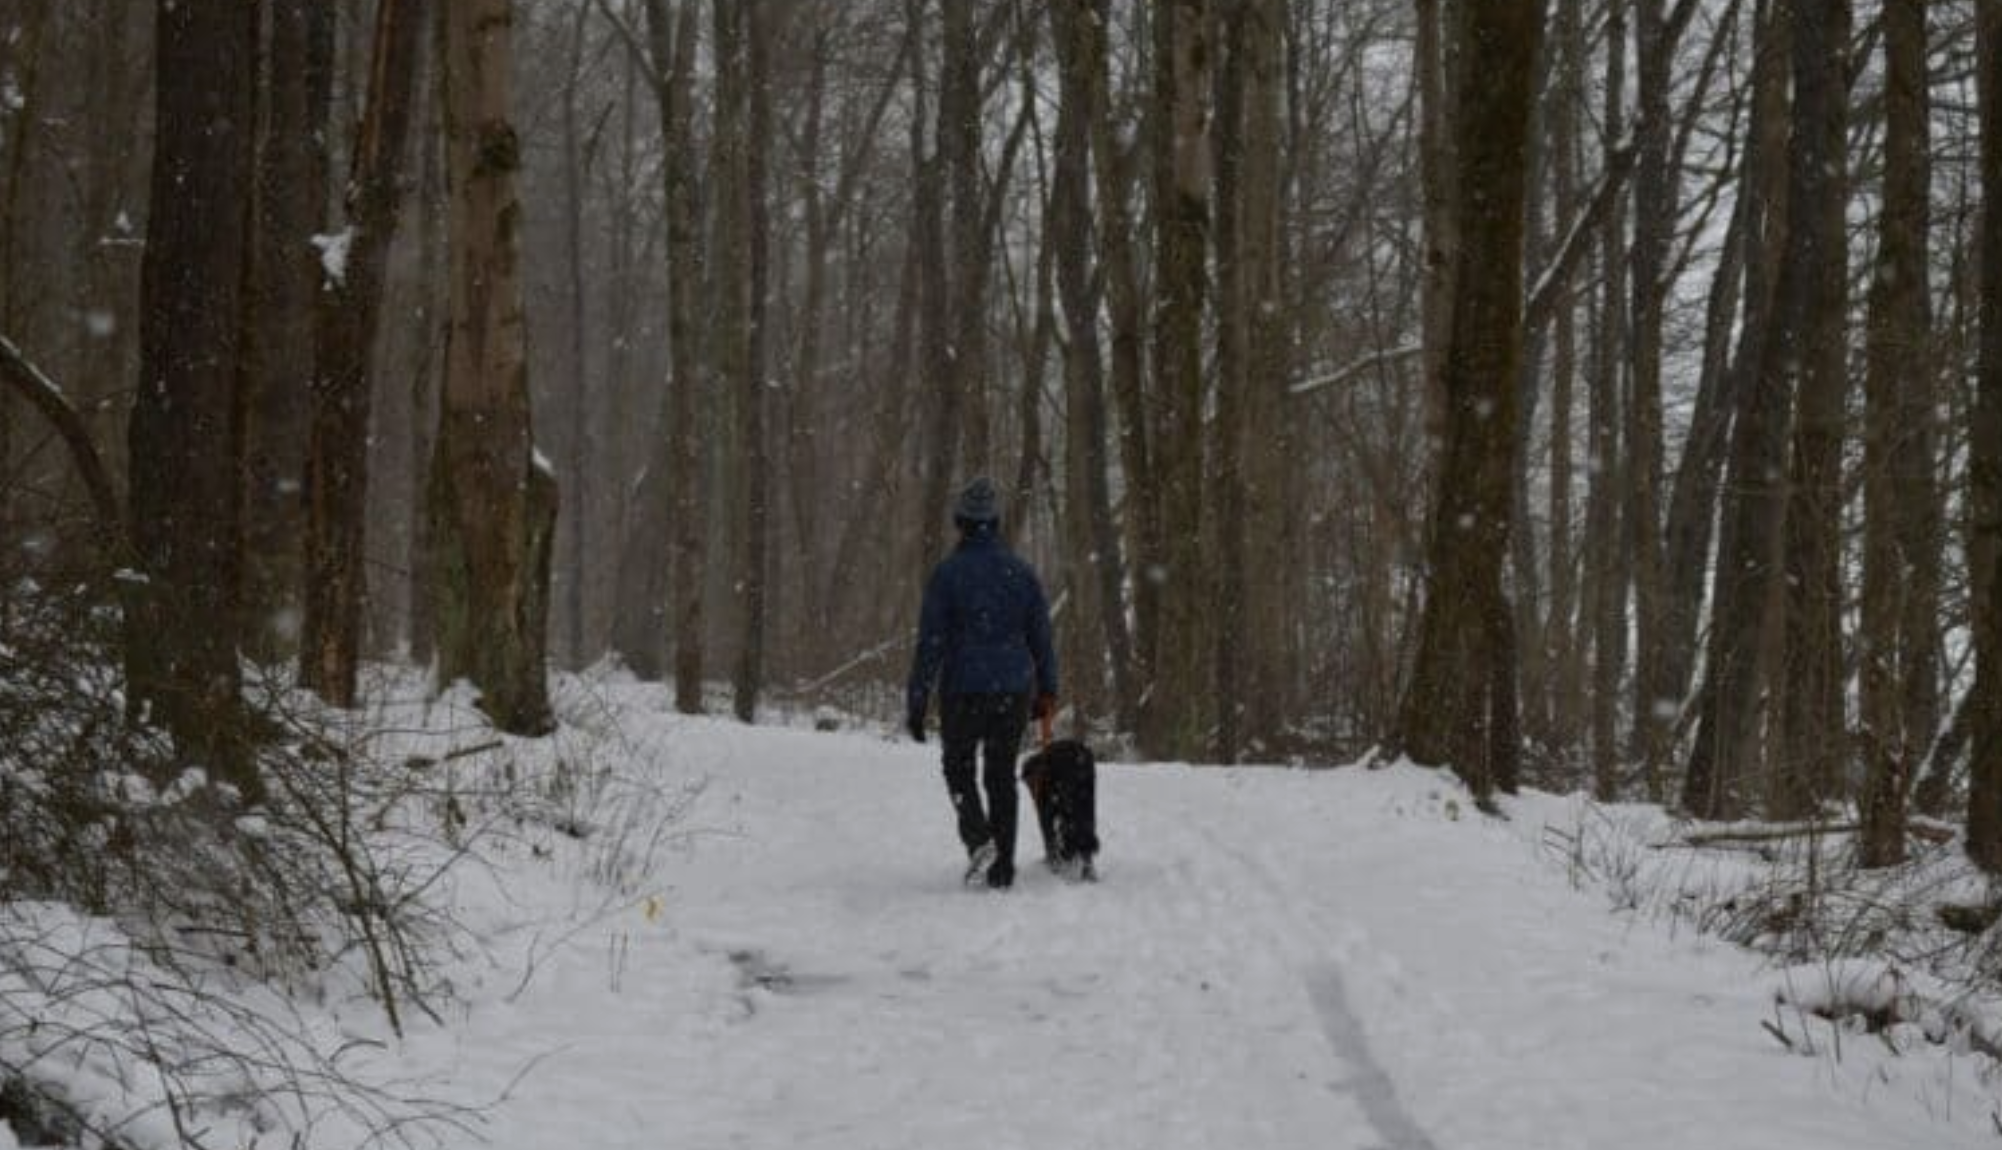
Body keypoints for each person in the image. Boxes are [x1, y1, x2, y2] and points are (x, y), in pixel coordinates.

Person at [906, 477, 1058, 889]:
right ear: (995, 522)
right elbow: (1041, 637)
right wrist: (1048, 689)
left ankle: (978, 838)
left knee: (958, 769)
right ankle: (1002, 866)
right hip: (1012, 689)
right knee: (1000, 774)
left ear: (961, 522)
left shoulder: (947, 576)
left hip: (963, 690)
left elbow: (931, 643)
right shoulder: (1021, 574)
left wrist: (917, 700)